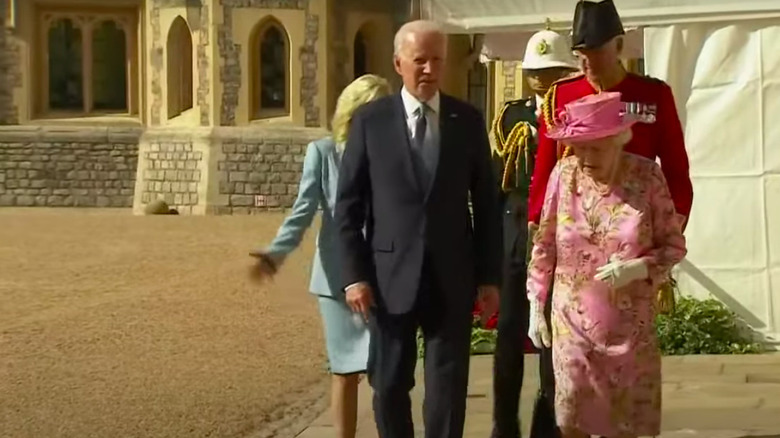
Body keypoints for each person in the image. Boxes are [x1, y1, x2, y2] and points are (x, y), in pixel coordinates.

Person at [335, 20, 502, 438]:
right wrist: (353, 276)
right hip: (389, 280)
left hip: (452, 275)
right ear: (398, 64)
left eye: (437, 60)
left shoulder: (466, 120)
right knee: (389, 384)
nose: (429, 69)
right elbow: (348, 208)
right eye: (419, 60)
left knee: (446, 390)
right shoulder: (371, 122)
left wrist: (489, 276)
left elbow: (486, 204)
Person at [526, 91, 688, 438]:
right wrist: (536, 303)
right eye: (578, 146)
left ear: (618, 139)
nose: (584, 156)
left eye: (594, 147)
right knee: (572, 421)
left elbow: (674, 246)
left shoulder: (647, 178)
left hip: (630, 332)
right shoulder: (564, 175)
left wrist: (639, 268)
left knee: (627, 426)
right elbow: (544, 243)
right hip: (572, 326)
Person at [248, 74, 392, 438]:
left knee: (386, 372)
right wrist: (274, 254)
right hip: (337, 278)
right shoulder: (324, 153)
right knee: (345, 372)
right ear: (352, 113)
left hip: (384, 274)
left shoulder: (392, 155)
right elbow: (303, 210)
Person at [488, 28, 578, 438]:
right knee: (510, 328)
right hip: (516, 221)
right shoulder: (512, 115)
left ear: (566, 70)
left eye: (550, 70)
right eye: (534, 72)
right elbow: (497, 178)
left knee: (552, 328)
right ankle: (504, 422)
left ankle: (551, 421)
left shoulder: (575, 112)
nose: (540, 79)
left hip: (560, 225)